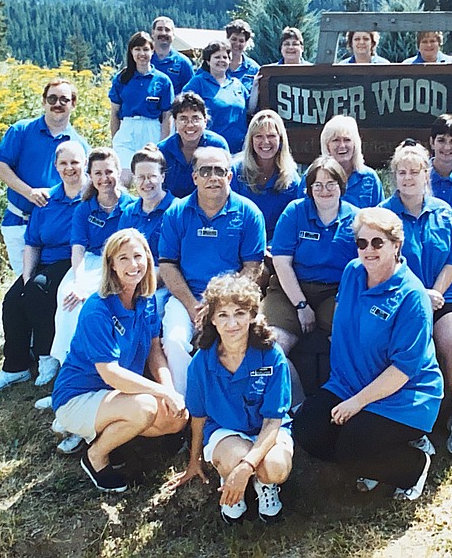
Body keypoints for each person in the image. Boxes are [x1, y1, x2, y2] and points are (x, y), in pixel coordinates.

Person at [292, 207, 444, 501]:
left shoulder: (412, 296)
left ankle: (413, 464)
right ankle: (376, 460)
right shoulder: (352, 273)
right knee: (308, 431)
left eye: (378, 243)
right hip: (348, 384)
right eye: (362, 243)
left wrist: (356, 404)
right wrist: (349, 396)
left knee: (352, 448)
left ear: (396, 245)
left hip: (403, 396)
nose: (368, 250)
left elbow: (402, 370)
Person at [51, 229, 186, 493]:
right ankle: (95, 457)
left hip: (116, 394)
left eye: (138, 256)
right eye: (123, 258)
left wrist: (170, 391)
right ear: (111, 264)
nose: (133, 264)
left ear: (148, 259)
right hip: (78, 396)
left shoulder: (146, 302)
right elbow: (110, 373)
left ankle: (116, 436)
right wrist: (160, 393)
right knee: (146, 408)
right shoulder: (97, 308)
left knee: (177, 419)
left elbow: (154, 351)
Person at [167, 274, 294, 524]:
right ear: (212, 319)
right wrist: (194, 461)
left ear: (252, 315)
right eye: (223, 314)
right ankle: (229, 476)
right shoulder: (201, 363)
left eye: (240, 313)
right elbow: (199, 417)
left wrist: (247, 467)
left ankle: (263, 483)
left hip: (267, 431)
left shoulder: (272, 356)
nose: (232, 323)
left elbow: (272, 421)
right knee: (233, 457)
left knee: (275, 468)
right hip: (226, 434)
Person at [380, 143, 452, 457]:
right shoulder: (383, 215)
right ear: (394, 177)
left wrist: (435, 292)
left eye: (414, 171)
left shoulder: (443, 211)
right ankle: (408, 427)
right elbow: (383, 266)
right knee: (406, 351)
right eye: (402, 172)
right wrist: (420, 295)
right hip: (402, 301)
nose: (408, 178)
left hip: (443, 294)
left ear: (426, 175)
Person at [159, 147, 267, 392]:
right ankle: (185, 407)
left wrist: (219, 306)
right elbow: (167, 265)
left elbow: (253, 267)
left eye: (220, 170)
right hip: (187, 296)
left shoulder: (249, 213)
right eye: (205, 171)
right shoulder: (176, 213)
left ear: (229, 177)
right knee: (175, 340)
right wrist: (191, 305)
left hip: (233, 299)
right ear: (194, 177)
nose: (213, 177)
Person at [0, 141, 86, 394]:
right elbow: (32, 244)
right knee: (13, 299)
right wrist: (26, 277)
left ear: (84, 163)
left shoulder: (92, 196)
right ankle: (15, 366)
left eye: (75, 162)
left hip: (75, 260)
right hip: (46, 261)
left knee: (38, 293)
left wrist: (33, 284)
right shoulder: (47, 200)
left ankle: (47, 356)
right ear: (55, 166)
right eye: (63, 163)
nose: (69, 168)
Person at [263, 157, 359, 372]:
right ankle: (292, 403)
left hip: (335, 292)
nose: (325, 190)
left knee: (350, 344)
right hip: (290, 289)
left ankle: (342, 400)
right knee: (273, 345)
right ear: (309, 189)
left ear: (341, 186)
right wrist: (301, 305)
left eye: (331, 184)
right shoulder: (295, 212)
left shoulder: (356, 219)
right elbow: (281, 262)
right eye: (318, 185)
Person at [51, 148, 139, 365]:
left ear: (119, 172)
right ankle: (68, 364)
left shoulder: (131, 206)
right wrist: (78, 282)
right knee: (68, 295)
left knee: (94, 300)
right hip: (89, 262)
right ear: (90, 176)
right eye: (97, 173)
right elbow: (78, 248)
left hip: (119, 264)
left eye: (109, 172)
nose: (104, 178)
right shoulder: (84, 208)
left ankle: (100, 362)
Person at [0, 78, 89, 276]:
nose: (57, 104)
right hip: (19, 221)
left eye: (64, 99)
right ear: (43, 101)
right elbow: (1, 167)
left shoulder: (79, 145)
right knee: (25, 284)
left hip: (56, 232)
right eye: (52, 98)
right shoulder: (21, 131)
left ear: (73, 104)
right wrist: (29, 193)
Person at [109, 31, 173, 185]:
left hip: (151, 130)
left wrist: (162, 145)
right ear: (131, 52)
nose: (142, 54)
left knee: (149, 179)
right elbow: (115, 113)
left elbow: (166, 116)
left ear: (152, 51)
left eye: (146, 49)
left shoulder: (162, 81)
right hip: (127, 128)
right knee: (123, 179)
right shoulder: (122, 78)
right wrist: (115, 138)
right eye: (137, 49)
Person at [230, 110, 304, 241]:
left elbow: (294, 223)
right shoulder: (235, 171)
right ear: (250, 140)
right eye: (258, 136)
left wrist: (275, 247)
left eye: (271, 136)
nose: (265, 142)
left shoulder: (291, 178)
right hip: (239, 241)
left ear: (281, 139)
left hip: (275, 247)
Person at [118, 144, 176, 314]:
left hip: (165, 284)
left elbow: (178, 263)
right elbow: (119, 254)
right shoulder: (129, 212)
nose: (146, 182)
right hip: (131, 277)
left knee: (147, 309)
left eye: (152, 176)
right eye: (140, 177)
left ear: (163, 177)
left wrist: (141, 286)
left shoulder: (177, 211)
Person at [183, 38, 251, 153]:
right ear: (208, 61)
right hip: (210, 148)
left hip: (240, 150)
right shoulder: (198, 83)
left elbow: (250, 108)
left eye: (225, 57)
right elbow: (183, 109)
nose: (221, 60)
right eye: (217, 57)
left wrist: (256, 86)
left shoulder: (236, 84)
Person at [157, 92, 230, 198]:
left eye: (196, 119)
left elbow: (226, 185)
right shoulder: (163, 150)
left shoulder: (217, 145)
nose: (190, 125)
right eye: (183, 119)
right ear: (175, 122)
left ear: (205, 121)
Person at [320, 114, 383, 208]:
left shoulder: (370, 177)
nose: (342, 145)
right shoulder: (314, 175)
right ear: (327, 146)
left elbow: (381, 216)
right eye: (336, 140)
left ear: (355, 144)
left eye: (347, 140)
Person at [247, 27, 312, 110]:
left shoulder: (311, 71)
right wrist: (256, 85)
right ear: (281, 48)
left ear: (302, 48)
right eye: (286, 44)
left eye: (295, 44)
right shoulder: (269, 72)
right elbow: (253, 107)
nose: (291, 47)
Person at [151, 15, 196, 93]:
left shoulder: (183, 63)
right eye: (159, 29)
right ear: (153, 33)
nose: (163, 33)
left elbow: (190, 93)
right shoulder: (144, 59)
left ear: (173, 35)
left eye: (167, 30)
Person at [224, 18, 261, 93]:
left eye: (241, 41)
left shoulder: (254, 69)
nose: (237, 44)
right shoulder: (216, 64)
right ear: (227, 39)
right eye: (234, 39)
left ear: (246, 43)